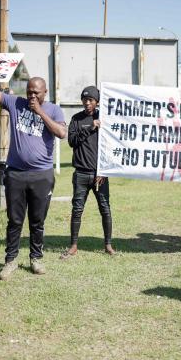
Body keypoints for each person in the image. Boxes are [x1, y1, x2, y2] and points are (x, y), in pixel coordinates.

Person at [0, 77, 67, 278]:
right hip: (16, 174)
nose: (31, 95)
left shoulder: (54, 110)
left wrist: (40, 112)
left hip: (42, 175)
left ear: (44, 92)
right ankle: (10, 261)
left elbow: (61, 133)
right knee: (14, 220)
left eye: (36, 92)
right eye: (29, 91)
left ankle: (36, 258)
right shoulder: (16, 103)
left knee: (37, 220)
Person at [61, 86, 115, 259]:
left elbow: (110, 147)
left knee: (105, 209)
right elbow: (72, 141)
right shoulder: (76, 119)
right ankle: (73, 246)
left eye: (91, 100)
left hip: (100, 175)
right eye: (85, 100)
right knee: (77, 210)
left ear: (97, 102)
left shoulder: (104, 119)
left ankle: (108, 245)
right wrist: (90, 127)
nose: (87, 102)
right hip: (81, 174)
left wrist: (104, 171)